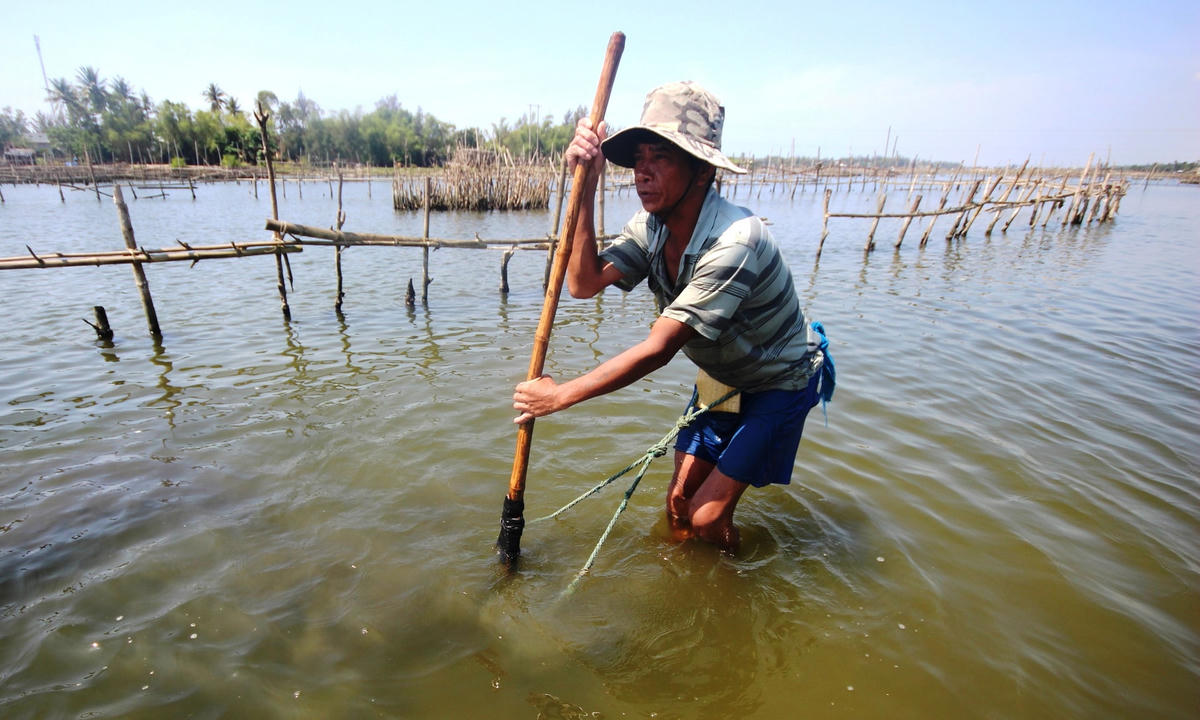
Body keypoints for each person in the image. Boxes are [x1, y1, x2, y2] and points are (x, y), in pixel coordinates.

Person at [512, 81, 831, 553]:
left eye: (659, 157)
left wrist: (558, 396)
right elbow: (583, 283)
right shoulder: (652, 228)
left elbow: (659, 349)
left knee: (705, 518)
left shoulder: (738, 241)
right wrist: (587, 183)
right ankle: (697, 574)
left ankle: (730, 584)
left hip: (779, 381)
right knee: (679, 504)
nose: (642, 172)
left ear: (701, 170)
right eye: (638, 158)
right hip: (723, 377)